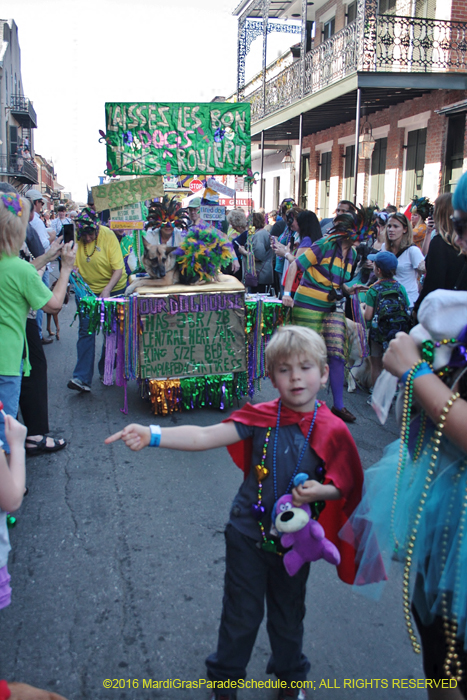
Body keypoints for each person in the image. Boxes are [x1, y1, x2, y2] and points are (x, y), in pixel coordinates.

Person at [105, 325, 366, 700]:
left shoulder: (333, 429)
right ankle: (226, 680)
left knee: (289, 614)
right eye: (284, 369)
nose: (295, 377)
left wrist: (322, 490)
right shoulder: (260, 416)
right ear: (271, 376)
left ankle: (290, 678)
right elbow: (205, 436)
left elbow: (348, 482)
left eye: (306, 367)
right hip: (247, 533)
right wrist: (153, 434)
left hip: (295, 545)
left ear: (324, 374)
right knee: (240, 614)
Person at [0, 192, 75, 451]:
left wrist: (47, 256)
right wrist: (65, 269)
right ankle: (11, 485)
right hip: (7, 360)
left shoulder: (12, 267)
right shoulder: (20, 270)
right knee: (5, 428)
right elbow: (54, 304)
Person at [281, 214, 359, 423]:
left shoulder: (351, 253)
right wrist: (287, 294)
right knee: (306, 356)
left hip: (331, 307)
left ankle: (338, 406)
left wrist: (349, 290)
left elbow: (335, 282)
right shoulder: (324, 245)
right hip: (307, 304)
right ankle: (301, 404)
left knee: (336, 353)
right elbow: (296, 265)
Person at [67, 207, 127, 393]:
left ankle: (106, 370)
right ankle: (82, 378)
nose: (87, 238)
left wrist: (107, 289)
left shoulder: (108, 236)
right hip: (86, 292)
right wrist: (73, 276)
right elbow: (71, 265)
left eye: (90, 234)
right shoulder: (76, 239)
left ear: (97, 228)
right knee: (86, 331)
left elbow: (118, 269)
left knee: (111, 332)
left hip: (114, 288)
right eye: (83, 235)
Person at [413, 194, 465, 319]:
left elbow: (433, 284)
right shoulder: (461, 245)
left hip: (442, 315)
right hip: (461, 313)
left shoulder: (440, 243)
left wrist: (417, 310)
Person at [363, 251, 410, 388]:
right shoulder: (401, 288)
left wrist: (362, 308)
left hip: (377, 334)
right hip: (396, 332)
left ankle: (376, 392)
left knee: (376, 364)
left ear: (378, 270)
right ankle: (392, 391)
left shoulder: (373, 290)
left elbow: (368, 316)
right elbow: (406, 307)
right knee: (391, 363)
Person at [25, 189, 55, 343]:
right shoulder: (34, 221)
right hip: (37, 266)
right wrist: (53, 239)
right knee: (40, 304)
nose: (42, 205)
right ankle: (36, 335)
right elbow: (53, 305)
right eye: (41, 203)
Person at [385, 212, 424, 309]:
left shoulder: (412, 251)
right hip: (387, 301)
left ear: (405, 229)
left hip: (407, 303)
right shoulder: (384, 248)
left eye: (395, 226)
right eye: (389, 226)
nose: (391, 229)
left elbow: (424, 275)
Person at [237, 212, 274, 293]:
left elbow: (258, 256)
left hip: (259, 275)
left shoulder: (259, 235)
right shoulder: (261, 233)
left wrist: (243, 252)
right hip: (260, 275)